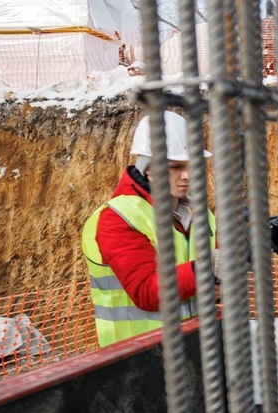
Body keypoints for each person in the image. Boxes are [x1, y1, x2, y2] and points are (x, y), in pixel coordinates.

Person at [82, 111, 216, 347]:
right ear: (149, 169)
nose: (187, 176)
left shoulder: (200, 214)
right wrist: (207, 268)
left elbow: (219, 272)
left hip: (197, 348)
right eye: (175, 167)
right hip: (137, 359)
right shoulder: (118, 218)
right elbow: (146, 292)